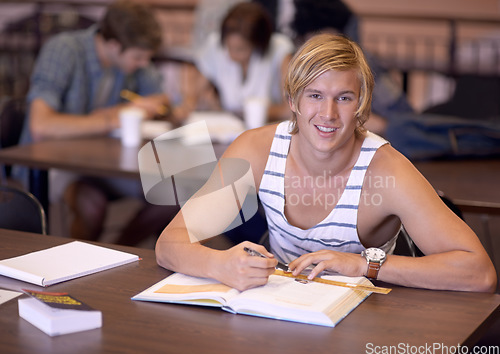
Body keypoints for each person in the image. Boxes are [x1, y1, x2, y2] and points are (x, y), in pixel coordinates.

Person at [155, 33, 496, 293]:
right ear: (292, 100)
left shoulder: (387, 169)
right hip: (286, 306)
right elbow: (169, 244)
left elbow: (479, 274)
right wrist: (220, 263)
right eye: (315, 95)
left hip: (375, 310)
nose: (329, 114)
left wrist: (361, 265)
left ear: (361, 104)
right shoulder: (255, 149)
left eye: (343, 98)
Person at [23, 0, 178, 244]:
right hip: (55, 162)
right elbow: (40, 126)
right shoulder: (64, 50)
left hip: (103, 162)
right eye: (138, 57)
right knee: (91, 204)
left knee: (174, 192)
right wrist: (113, 117)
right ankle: (82, 267)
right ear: (113, 45)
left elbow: (162, 97)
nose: (143, 64)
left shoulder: (128, 59)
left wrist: (148, 106)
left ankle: (120, 251)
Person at [177, 2, 294, 123]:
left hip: (266, 129)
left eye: (241, 49)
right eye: (229, 47)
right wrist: (193, 103)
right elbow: (193, 97)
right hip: (228, 129)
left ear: (258, 44)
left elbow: (288, 110)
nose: (232, 55)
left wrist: (246, 113)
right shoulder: (215, 45)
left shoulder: (280, 51)